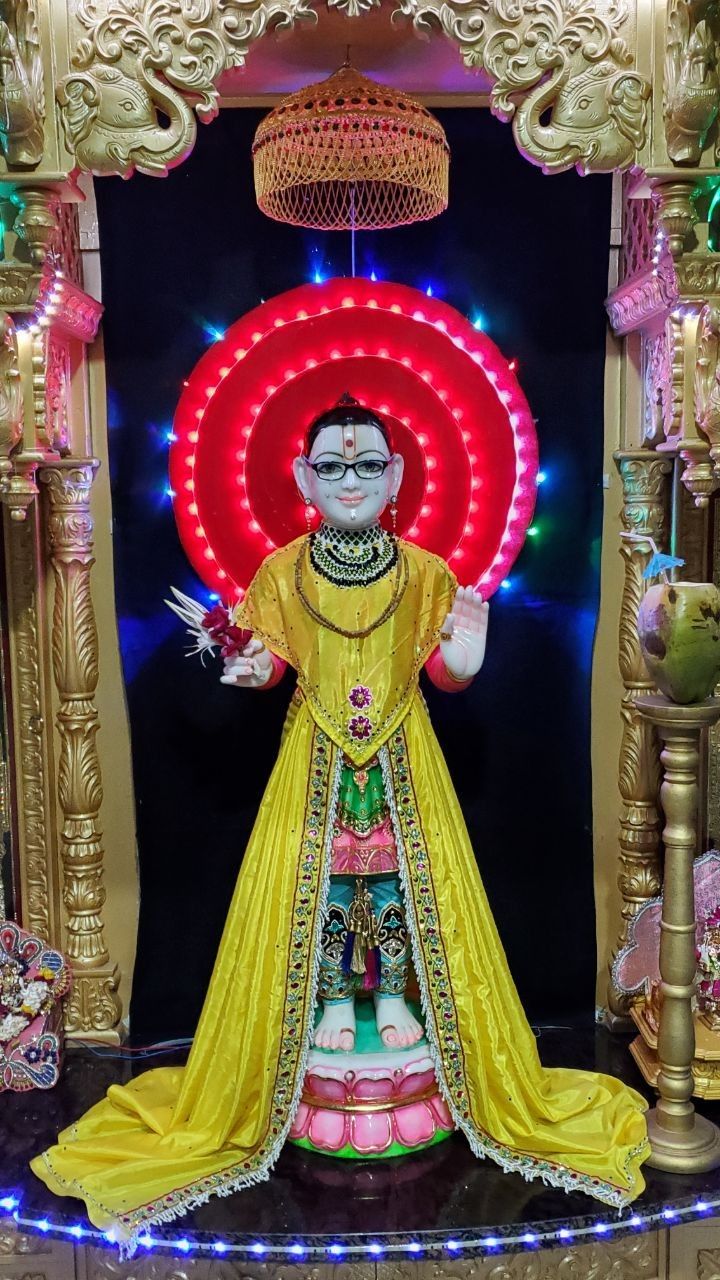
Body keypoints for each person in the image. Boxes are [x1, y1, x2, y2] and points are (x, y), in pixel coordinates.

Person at [31, 394, 649, 1251]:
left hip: (403, 762)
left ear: (395, 476)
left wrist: (465, 662)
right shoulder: (282, 572)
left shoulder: (426, 573)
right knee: (320, 892)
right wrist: (249, 668)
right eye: (332, 466)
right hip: (313, 764)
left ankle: (393, 996)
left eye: (367, 466)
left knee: (395, 883)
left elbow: (447, 674)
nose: (350, 480)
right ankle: (328, 1004)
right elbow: (269, 662)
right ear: (303, 478)